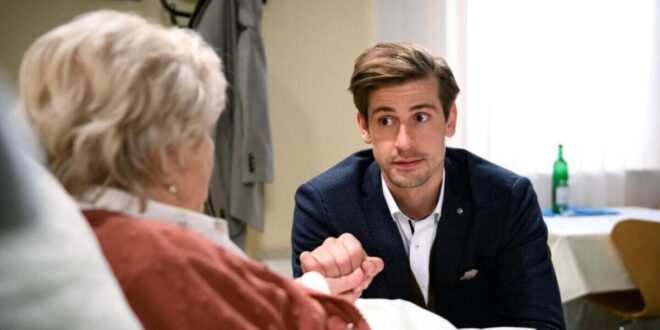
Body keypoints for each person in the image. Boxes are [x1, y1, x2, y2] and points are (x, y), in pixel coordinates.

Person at [19, 10, 472, 330]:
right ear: (172, 150)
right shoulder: (163, 261)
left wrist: (313, 287)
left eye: (422, 116)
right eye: (206, 131)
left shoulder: (81, 235)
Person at [291, 42, 566, 330]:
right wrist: (323, 292)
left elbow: (542, 324)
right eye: (386, 120)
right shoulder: (324, 205)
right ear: (364, 126)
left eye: (420, 117)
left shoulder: (506, 197)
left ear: (450, 119)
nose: (404, 142)